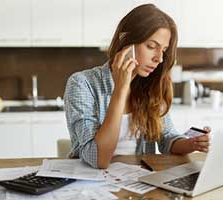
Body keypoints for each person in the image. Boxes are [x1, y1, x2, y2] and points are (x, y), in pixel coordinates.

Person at [64, 4, 210, 169]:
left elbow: (166, 137)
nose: (159, 59)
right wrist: (120, 88)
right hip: (91, 184)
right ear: (126, 42)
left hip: (138, 180)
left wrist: (191, 144)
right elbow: (99, 159)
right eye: (151, 46)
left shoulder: (150, 87)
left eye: (163, 50)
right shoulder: (82, 84)